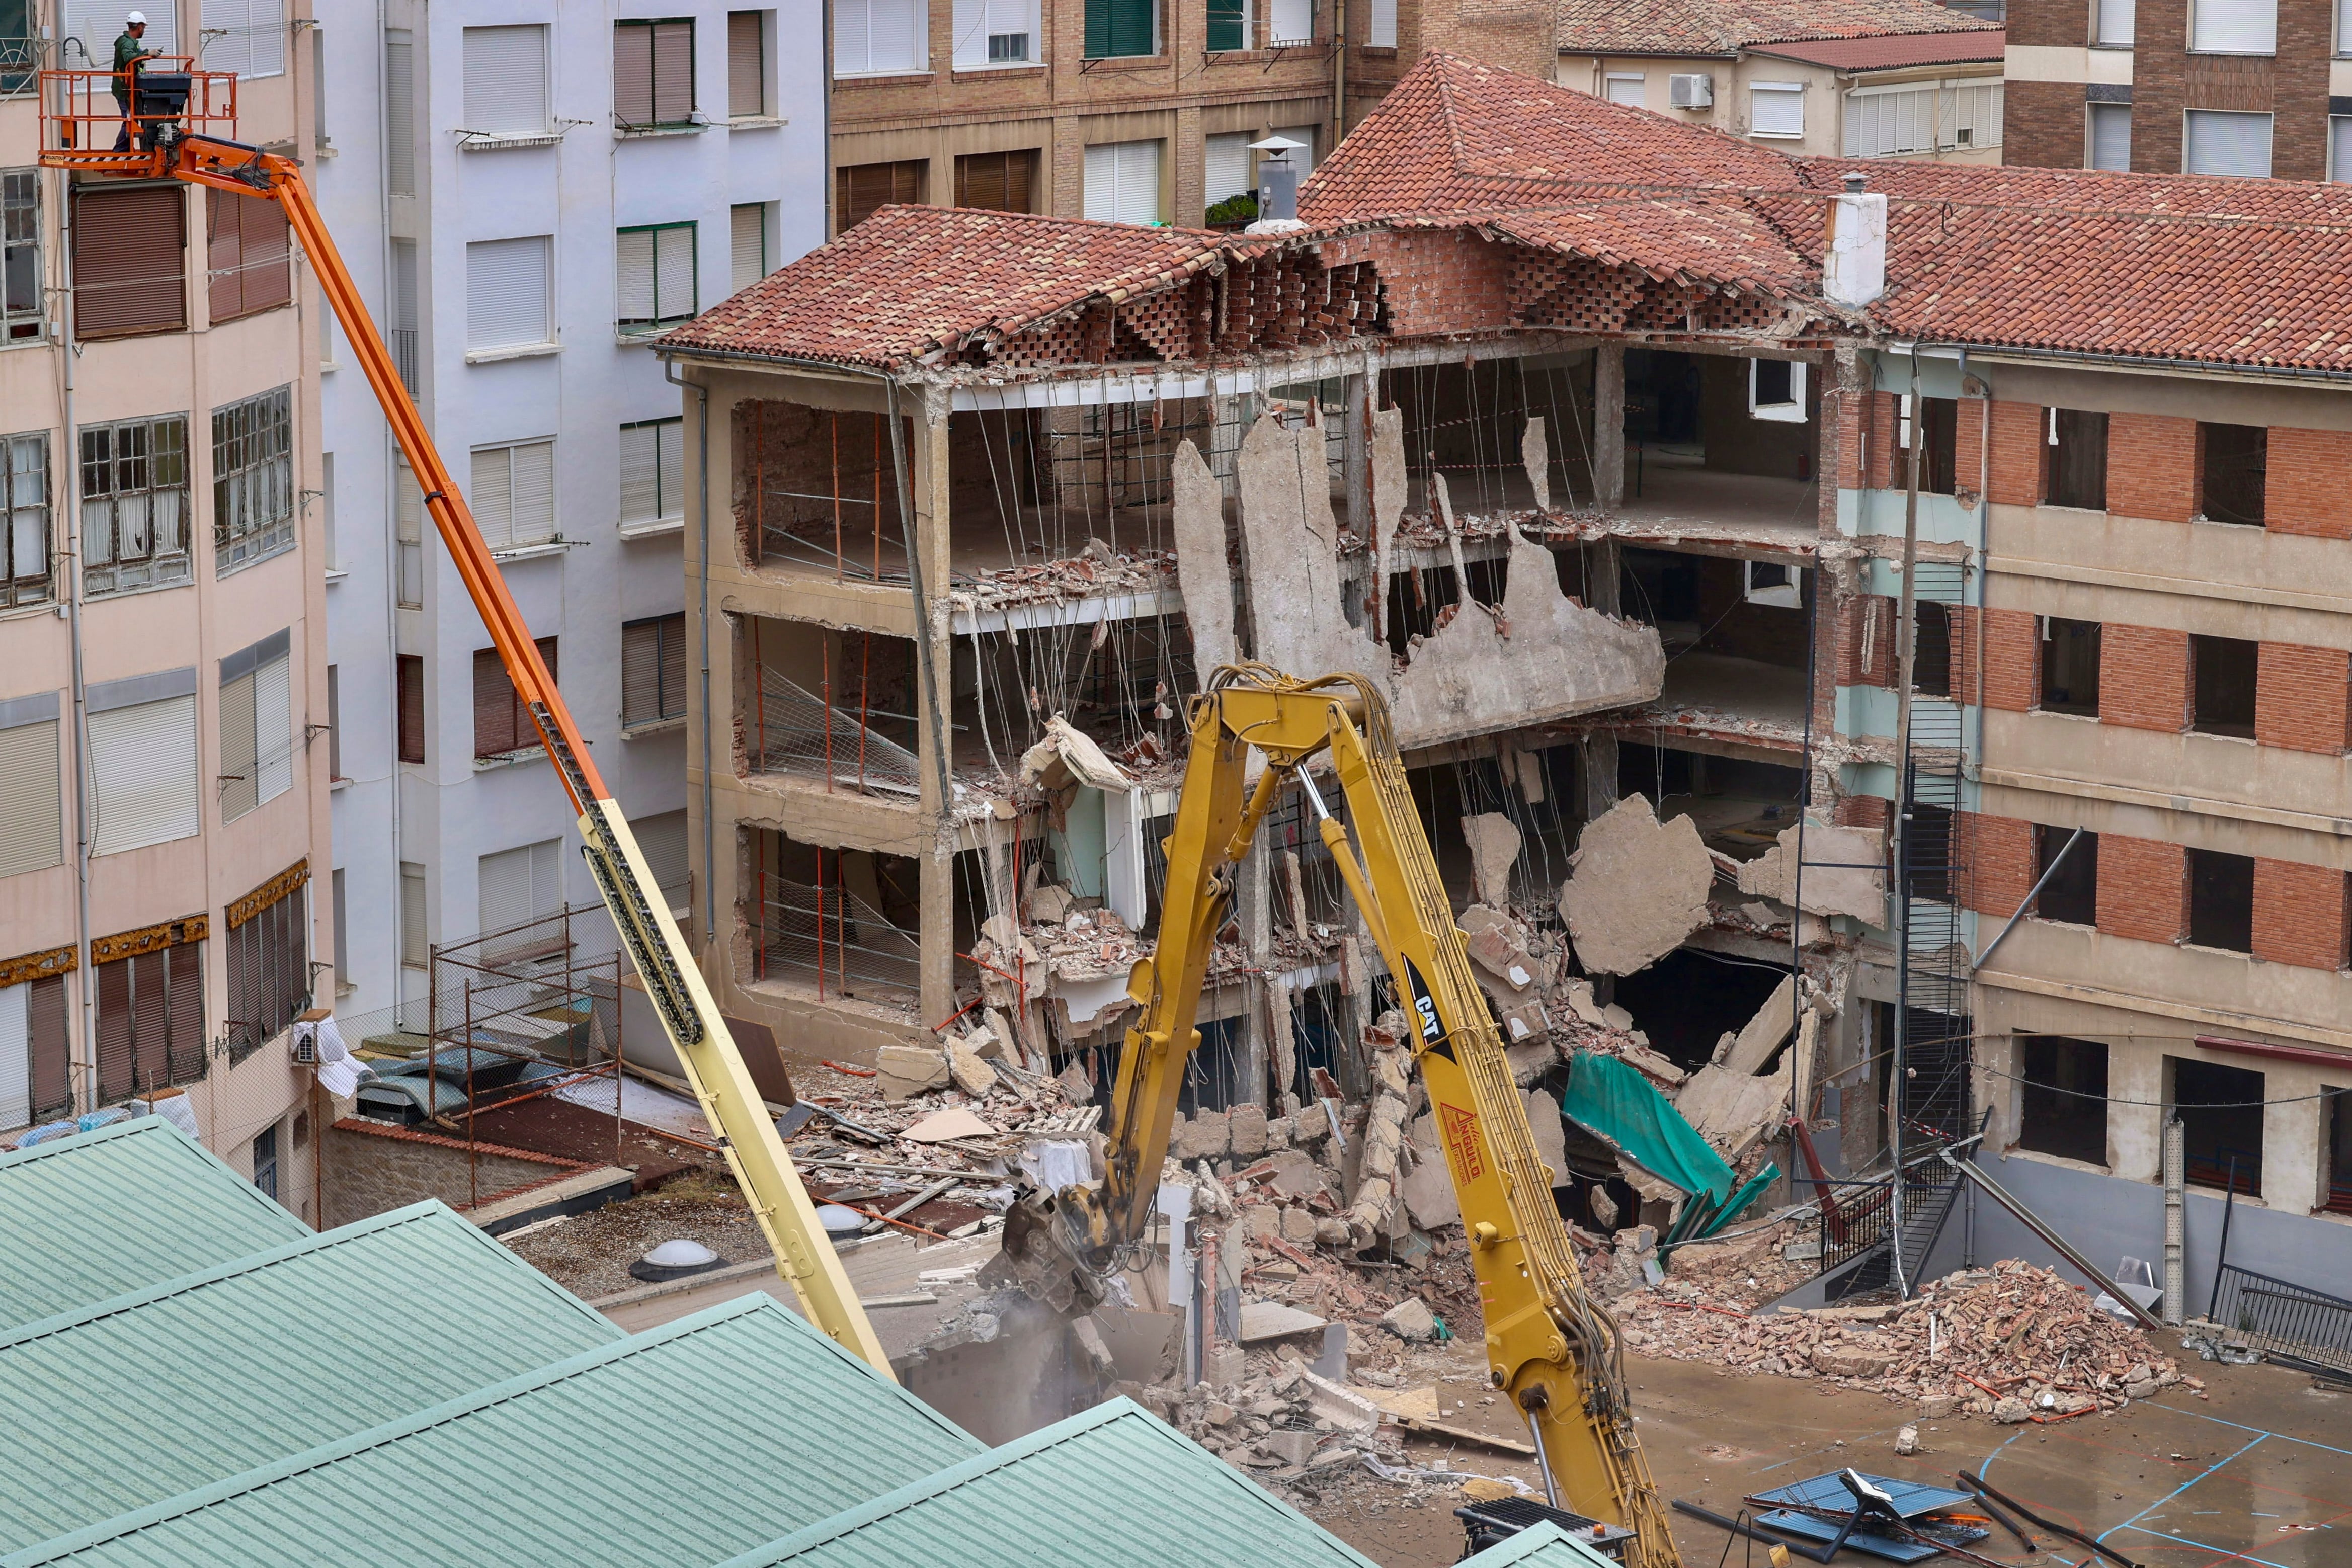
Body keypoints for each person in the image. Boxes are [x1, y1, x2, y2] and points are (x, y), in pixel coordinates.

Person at [110, 12, 157, 152]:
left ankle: (123, 149)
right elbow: (128, 57)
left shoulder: (130, 43)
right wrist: (148, 53)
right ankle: (119, 151)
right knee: (129, 120)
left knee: (132, 119)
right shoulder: (126, 43)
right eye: (144, 28)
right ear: (140, 27)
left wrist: (146, 54)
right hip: (124, 89)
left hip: (127, 88)